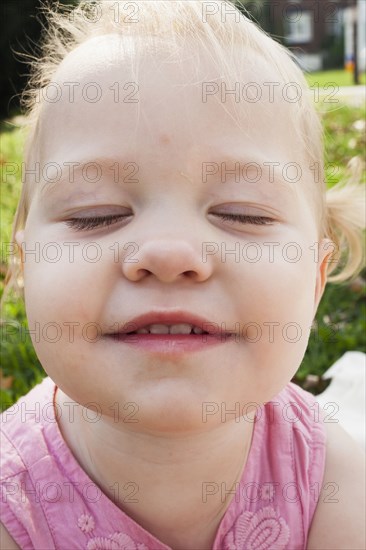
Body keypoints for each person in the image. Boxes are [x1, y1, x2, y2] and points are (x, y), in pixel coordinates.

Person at [1, 1, 365, 548]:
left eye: (243, 213)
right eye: (94, 214)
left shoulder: (333, 479)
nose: (169, 253)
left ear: (316, 278)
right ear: (25, 267)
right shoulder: (14, 502)